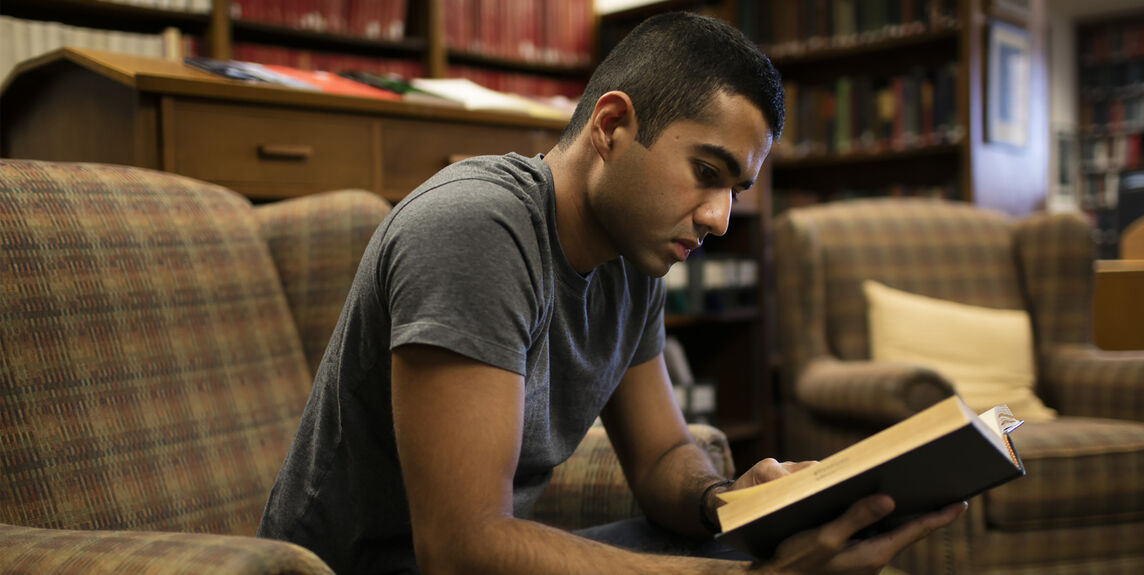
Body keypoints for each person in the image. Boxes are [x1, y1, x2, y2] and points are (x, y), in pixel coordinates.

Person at [257, 11, 965, 574]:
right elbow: (461, 547)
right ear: (612, 125)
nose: (720, 217)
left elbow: (660, 461)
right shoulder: (475, 228)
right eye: (707, 172)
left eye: (736, 189)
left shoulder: (634, 255)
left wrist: (733, 502)